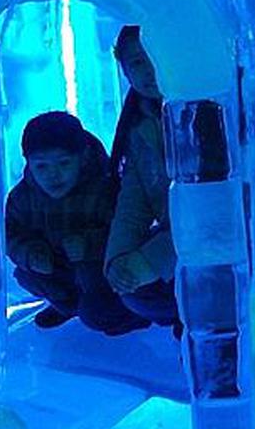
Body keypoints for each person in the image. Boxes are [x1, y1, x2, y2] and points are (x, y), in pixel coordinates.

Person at [5, 111, 148, 335]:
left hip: (100, 273)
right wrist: (31, 254)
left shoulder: (105, 190)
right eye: (42, 166)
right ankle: (68, 306)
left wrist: (89, 245)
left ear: (83, 158)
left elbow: (129, 232)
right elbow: (11, 234)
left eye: (63, 163)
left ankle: (125, 316)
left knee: (94, 299)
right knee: (27, 276)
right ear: (29, 163)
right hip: (58, 267)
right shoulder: (23, 198)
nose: (53, 175)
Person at [105, 25, 182, 336]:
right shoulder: (141, 127)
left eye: (156, 57)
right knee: (132, 294)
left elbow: (214, 211)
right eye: (137, 63)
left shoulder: (211, 114)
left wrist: (150, 262)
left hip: (218, 242)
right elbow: (132, 204)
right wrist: (118, 261)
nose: (150, 71)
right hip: (178, 242)